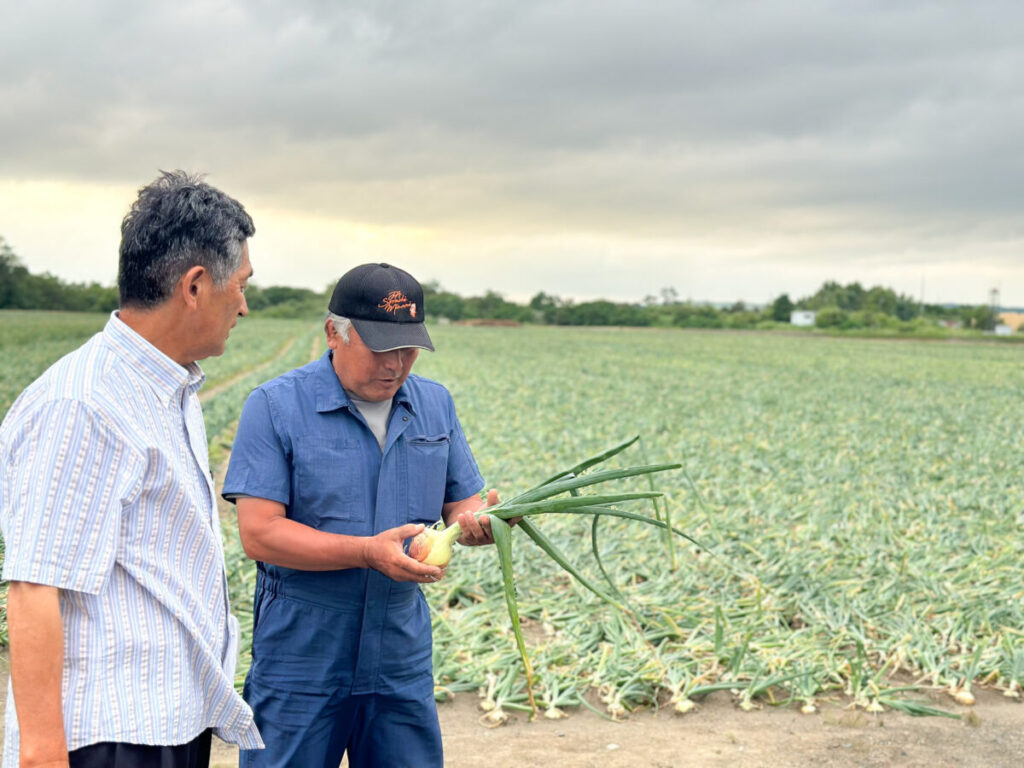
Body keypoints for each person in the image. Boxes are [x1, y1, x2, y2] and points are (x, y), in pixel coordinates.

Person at [0, 171, 264, 768]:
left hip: (163, 721)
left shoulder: (168, 387)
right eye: (241, 285)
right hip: (110, 737)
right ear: (195, 286)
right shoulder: (85, 403)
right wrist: (43, 755)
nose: (244, 305)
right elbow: (34, 586)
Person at [223, 262, 499, 767]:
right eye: (379, 348)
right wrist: (365, 553)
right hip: (302, 657)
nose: (396, 364)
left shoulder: (434, 405)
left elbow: (463, 500)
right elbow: (260, 535)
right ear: (334, 332)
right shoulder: (276, 406)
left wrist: (481, 521)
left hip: (398, 653)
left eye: (409, 348)